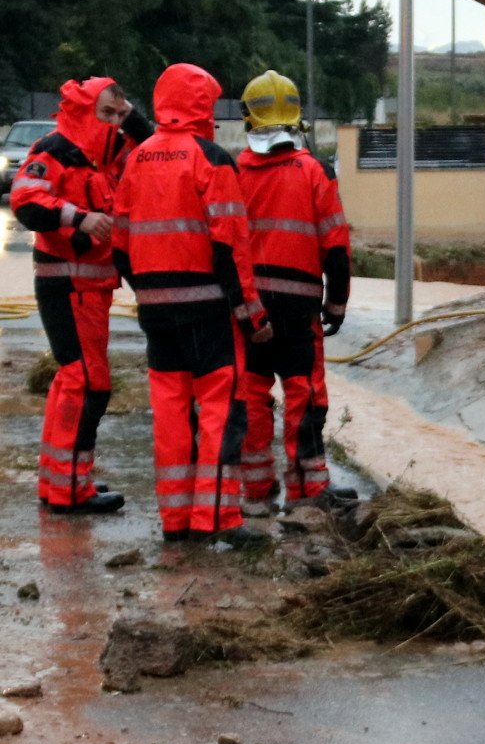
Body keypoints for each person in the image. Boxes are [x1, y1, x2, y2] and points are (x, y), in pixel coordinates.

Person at [113, 63, 272, 542]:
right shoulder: (212, 158)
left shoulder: (137, 158)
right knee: (220, 411)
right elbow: (231, 246)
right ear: (202, 105)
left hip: (155, 310)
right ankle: (219, 519)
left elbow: (119, 242)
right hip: (206, 309)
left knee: (170, 414)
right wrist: (252, 315)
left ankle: (176, 521)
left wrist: (147, 290)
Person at [9, 77, 138, 514]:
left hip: (91, 289)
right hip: (67, 286)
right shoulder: (55, 149)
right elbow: (26, 203)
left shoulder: (106, 156)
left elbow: (154, 141)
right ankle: (69, 488)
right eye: (107, 114)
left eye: (120, 116)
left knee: (77, 383)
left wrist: (126, 114)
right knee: (85, 384)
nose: (116, 124)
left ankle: (65, 480)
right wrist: (78, 218)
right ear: (85, 113)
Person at [233, 70, 353, 514]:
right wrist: (337, 302)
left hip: (249, 310)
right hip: (299, 310)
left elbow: (224, 246)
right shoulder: (314, 173)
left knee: (252, 395)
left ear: (248, 117)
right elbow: (336, 246)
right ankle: (307, 489)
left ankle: (257, 491)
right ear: (297, 115)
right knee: (303, 393)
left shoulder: (233, 173)